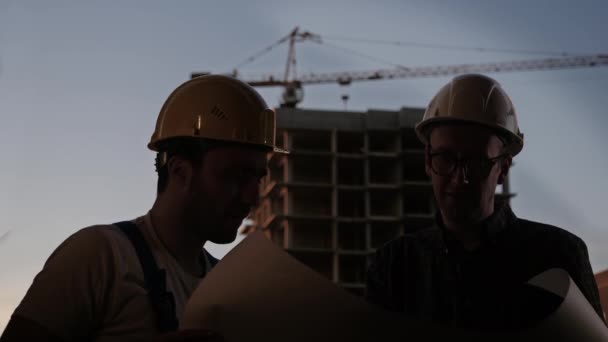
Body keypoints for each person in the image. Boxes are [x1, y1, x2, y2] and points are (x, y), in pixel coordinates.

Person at [1, 75, 286, 341]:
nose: (252, 197)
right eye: (235, 176)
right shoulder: (100, 256)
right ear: (180, 171)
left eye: (258, 178)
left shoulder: (229, 289)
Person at [365, 74, 604, 331]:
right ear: (427, 160)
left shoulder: (561, 255)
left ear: (503, 168)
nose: (459, 179)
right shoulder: (393, 266)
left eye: (476, 163)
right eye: (445, 159)